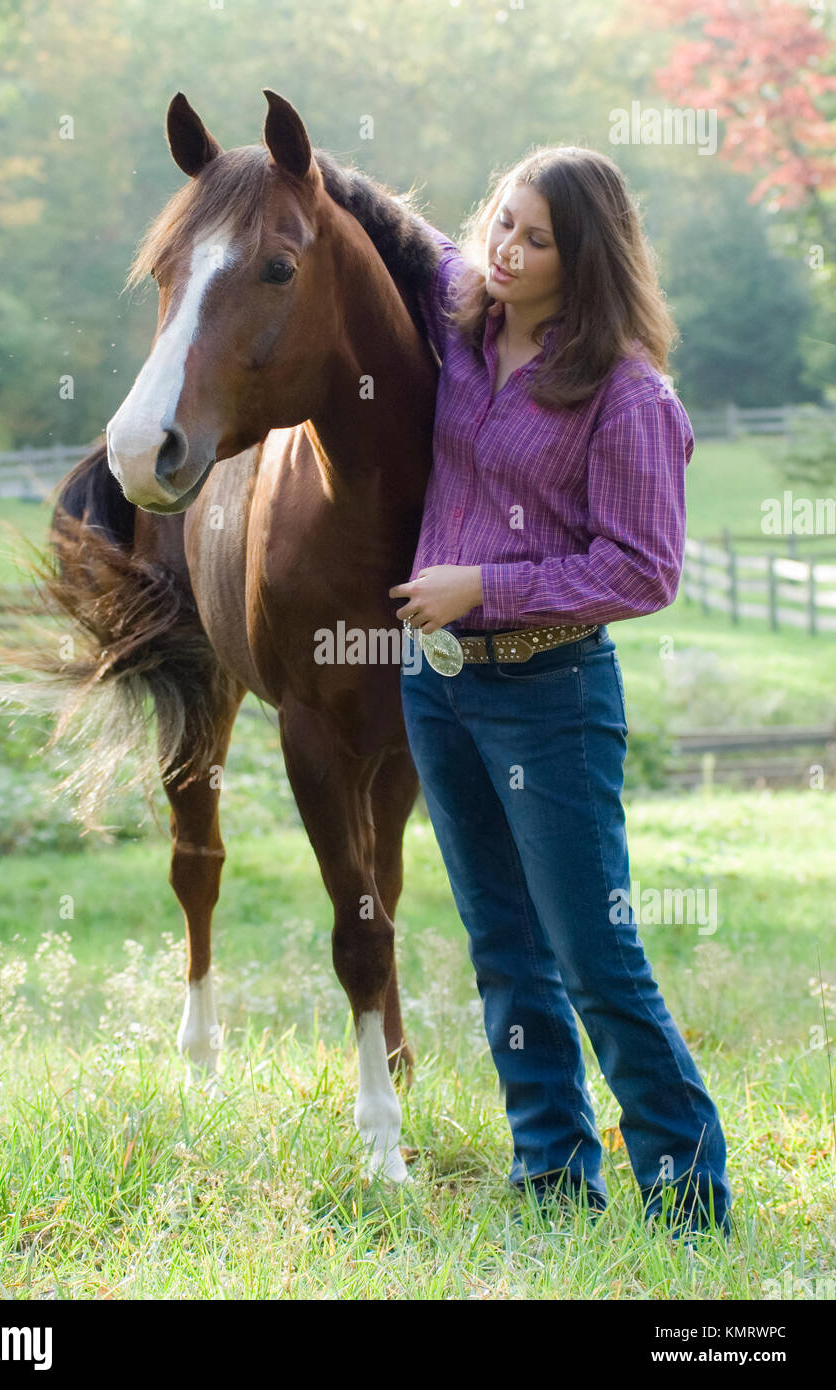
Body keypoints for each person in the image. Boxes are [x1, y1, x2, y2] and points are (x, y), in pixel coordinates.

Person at [389, 145, 732, 1240]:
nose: (505, 248)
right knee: (501, 945)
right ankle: (549, 1177)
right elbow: (400, 240)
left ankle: (687, 1201)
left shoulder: (625, 392)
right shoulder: (464, 325)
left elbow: (641, 568)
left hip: (548, 691)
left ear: (580, 257)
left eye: (535, 238)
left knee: (593, 954)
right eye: (499, 222)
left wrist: (481, 585)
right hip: (436, 690)